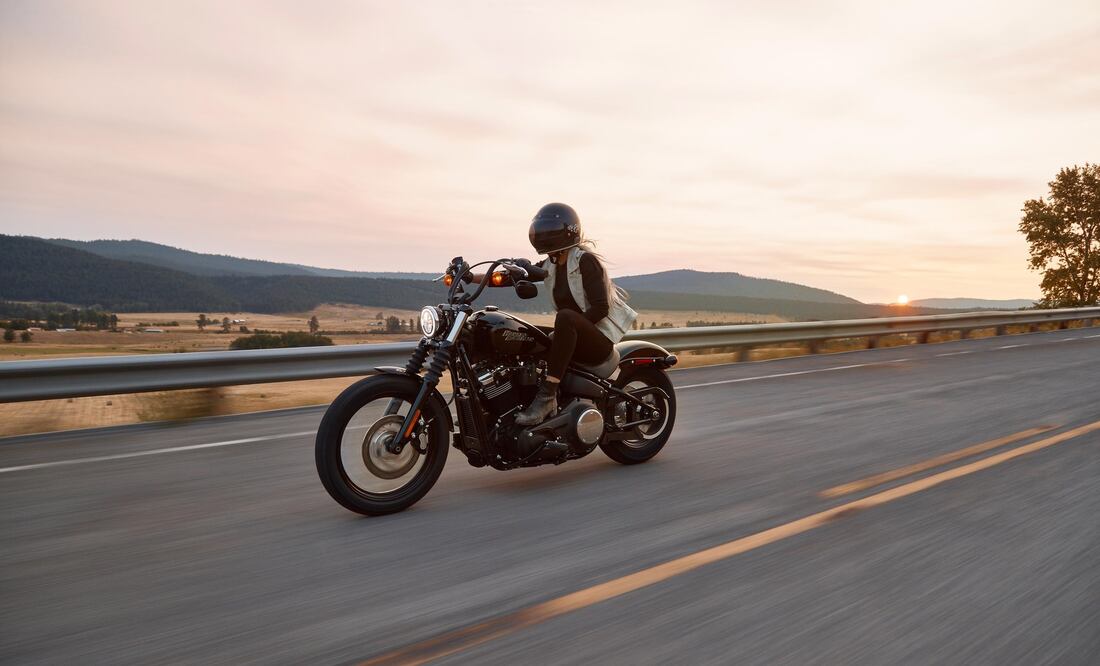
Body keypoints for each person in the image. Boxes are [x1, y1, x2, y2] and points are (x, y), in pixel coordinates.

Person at [508, 203, 637, 425]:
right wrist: (470, 277)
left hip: (598, 342)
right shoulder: (552, 263)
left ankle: (547, 396)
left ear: (566, 231)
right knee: (530, 335)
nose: (543, 235)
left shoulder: (585, 261)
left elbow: (600, 308)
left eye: (549, 230)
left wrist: (572, 330)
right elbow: (518, 277)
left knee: (565, 318)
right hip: (576, 335)